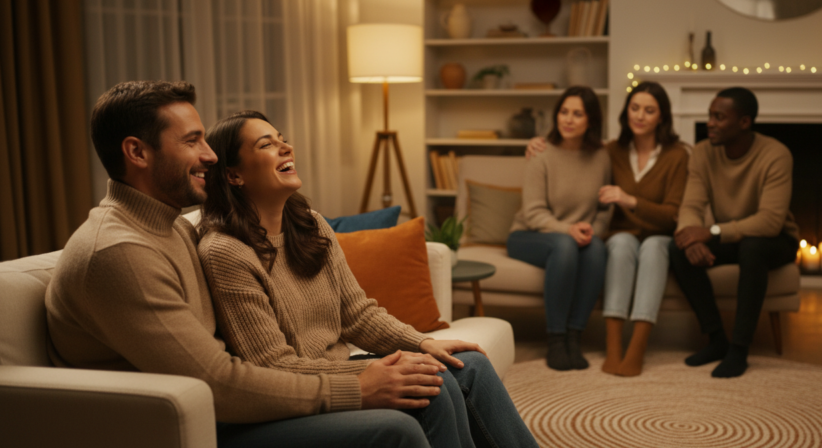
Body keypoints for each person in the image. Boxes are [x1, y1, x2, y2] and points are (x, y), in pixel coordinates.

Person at [45, 80, 432, 448]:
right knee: (396, 427)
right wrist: (359, 387)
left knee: (435, 390)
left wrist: (416, 347)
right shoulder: (119, 252)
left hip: (222, 412)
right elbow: (217, 383)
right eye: (192, 141)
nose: (210, 155)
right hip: (179, 429)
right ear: (138, 153)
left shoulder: (174, 226)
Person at [197, 110, 538, 448]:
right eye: (266, 145)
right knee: (430, 386)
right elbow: (271, 367)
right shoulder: (226, 251)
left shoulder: (309, 224)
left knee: (471, 366)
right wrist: (366, 376)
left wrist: (422, 343)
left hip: (334, 369)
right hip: (296, 395)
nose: (286, 148)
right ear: (233, 175)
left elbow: (357, 314)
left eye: (283, 140)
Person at [527, 82, 690, 377]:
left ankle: (635, 348)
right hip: (618, 235)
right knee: (621, 243)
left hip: (657, 234)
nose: (640, 116)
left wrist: (629, 200)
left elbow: (674, 215)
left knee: (650, 247)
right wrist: (534, 143)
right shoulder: (611, 150)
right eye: (635, 108)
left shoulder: (676, 155)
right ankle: (611, 348)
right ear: (626, 111)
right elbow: (569, 150)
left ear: (662, 117)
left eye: (649, 110)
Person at [669, 87, 799, 378]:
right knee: (676, 248)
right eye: (709, 116)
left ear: (744, 122)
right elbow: (690, 205)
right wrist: (690, 238)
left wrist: (711, 233)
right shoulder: (703, 152)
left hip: (776, 241)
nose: (710, 123)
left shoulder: (776, 154)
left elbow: (769, 223)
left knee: (753, 246)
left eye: (719, 117)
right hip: (732, 236)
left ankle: (739, 350)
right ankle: (716, 340)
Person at [508, 86, 612, 371]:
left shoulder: (601, 156)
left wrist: (594, 231)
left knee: (597, 248)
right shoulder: (541, 152)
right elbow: (533, 213)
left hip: (573, 236)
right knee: (565, 245)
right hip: (528, 235)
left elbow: (605, 208)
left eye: (578, 114)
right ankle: (555, 339)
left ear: (591, 120)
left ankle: (574, 338)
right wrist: (567, 230)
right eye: (564, 112)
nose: (568, 119)